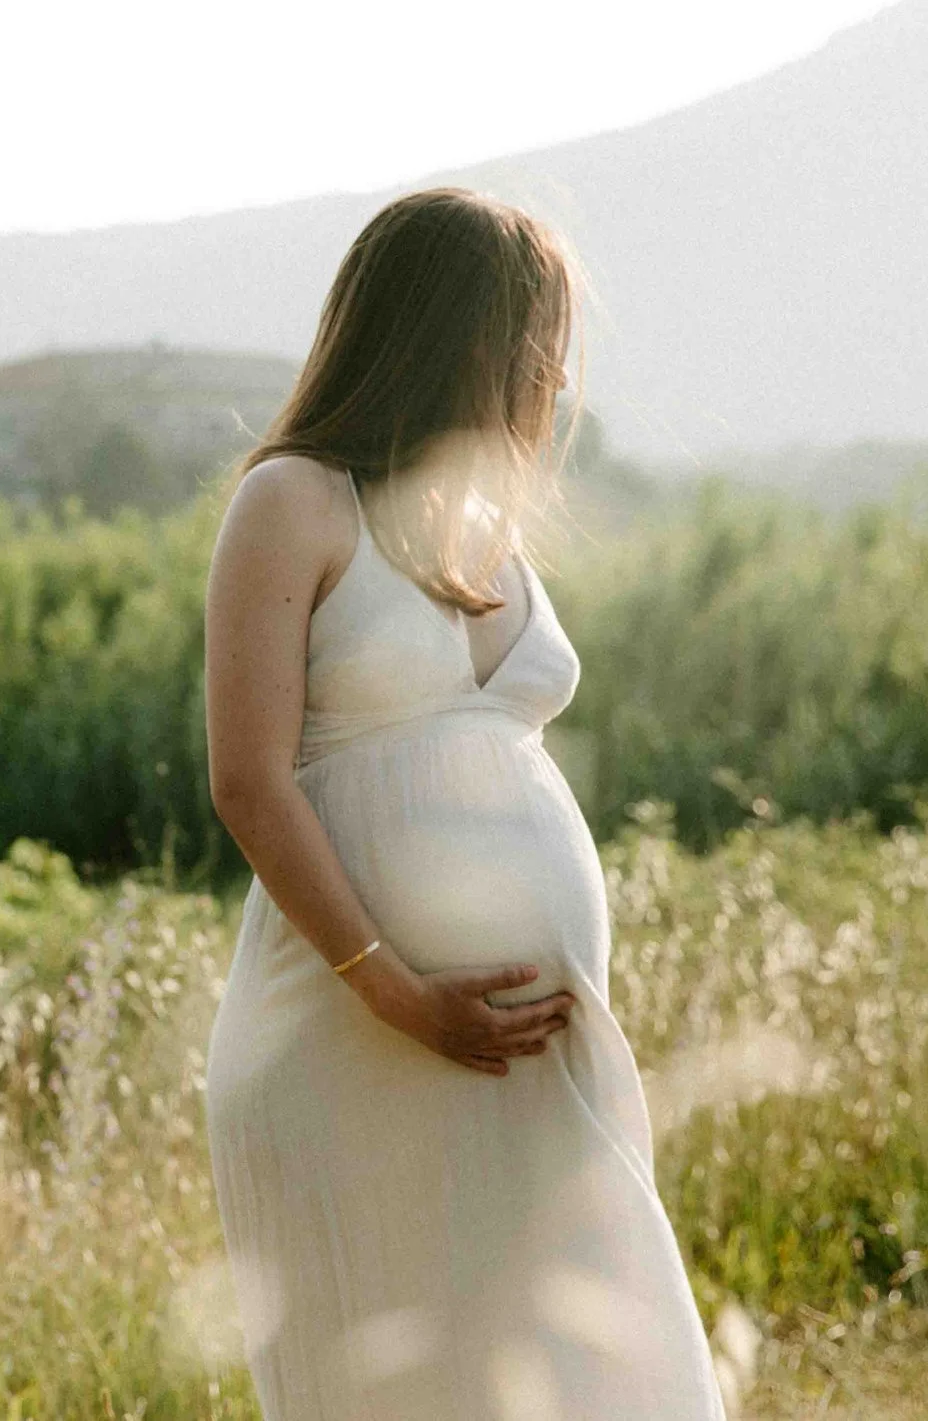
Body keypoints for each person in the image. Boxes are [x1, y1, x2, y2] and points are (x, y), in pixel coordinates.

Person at [201, 188, 725, 1418]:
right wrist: (396, 989)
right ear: (452, 330)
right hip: (353, 1034)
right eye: (533, 331)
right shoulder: (292, 501)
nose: (552, 368)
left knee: (599, 1362)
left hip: (516, 1052)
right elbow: (247, 778)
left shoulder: (488, 531)